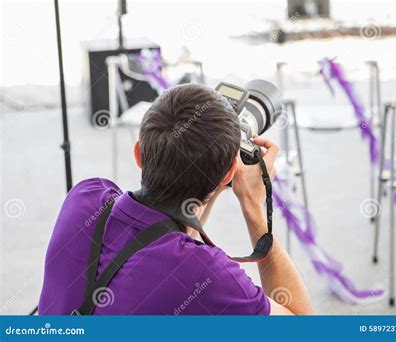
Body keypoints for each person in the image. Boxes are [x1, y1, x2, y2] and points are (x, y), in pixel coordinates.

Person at [39, 83, 313, 315]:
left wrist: (213, 169)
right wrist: (252, 203)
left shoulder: (85, 197)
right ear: (229, 172)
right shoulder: (209, 276)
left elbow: (172, 232)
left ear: (139, 154)